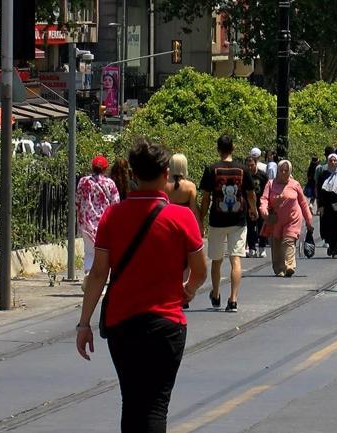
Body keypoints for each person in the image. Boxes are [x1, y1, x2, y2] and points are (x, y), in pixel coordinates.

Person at [76, 138, 208, 432]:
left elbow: (98, 274)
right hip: (167, 324)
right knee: (155, 405)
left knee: (132, 402)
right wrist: (186, 292)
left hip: (123, 325)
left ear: (133, 174)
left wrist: (84, 324)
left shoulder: (112, 216)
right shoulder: (182, 217)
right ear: (165, 174)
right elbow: (200, 272)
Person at [199, 134, 258, 313]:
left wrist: (201, 217)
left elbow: (206, 198)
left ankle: (216, 294)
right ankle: (233, 299)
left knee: (216, 260)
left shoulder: (211, 169)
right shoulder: (242, 169)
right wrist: (253, 209)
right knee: (236, 259)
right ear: (233, 148)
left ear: (218, 149)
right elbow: (250, 193)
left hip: (217, 220)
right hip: (238, 220)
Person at [259, 160, 314, 277]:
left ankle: (289, 266)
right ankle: (279, 269)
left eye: (286, 170)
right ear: (277, 171)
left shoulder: (295, 184)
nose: (284, 172)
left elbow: (303, 203)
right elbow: (264, 199)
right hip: (276, 219)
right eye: (281, 170)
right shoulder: (270, 184)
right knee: (277, 243)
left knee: (288, 241)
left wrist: (309, 221)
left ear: (290, 171)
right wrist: (264, 211)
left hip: (292, 219)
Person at [76, 155, 120, 285]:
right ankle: (100, 280)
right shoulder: (109, 183)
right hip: (104, 223)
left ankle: (89, 273)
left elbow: (77, 199)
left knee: (89, 251)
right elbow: (115, 203)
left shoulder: (83, 181)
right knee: (103, 253)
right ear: (106, 168)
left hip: (86, 222)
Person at [164, 153, 202, 231]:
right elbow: (193, 210)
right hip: (183, 225)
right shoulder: (190, 186)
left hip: (167, 223)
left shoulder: (163, 184)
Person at [246, 156, 269, 258]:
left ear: (256, 164)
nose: (250, 167)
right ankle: (252, 248)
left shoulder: (263, 175)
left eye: (252, 165)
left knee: (262, 226)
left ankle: (262, 247)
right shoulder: (245, 176)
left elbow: (267, 190)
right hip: (249, 205)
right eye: (248, 165)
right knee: (250, 227)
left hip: (261, 204)